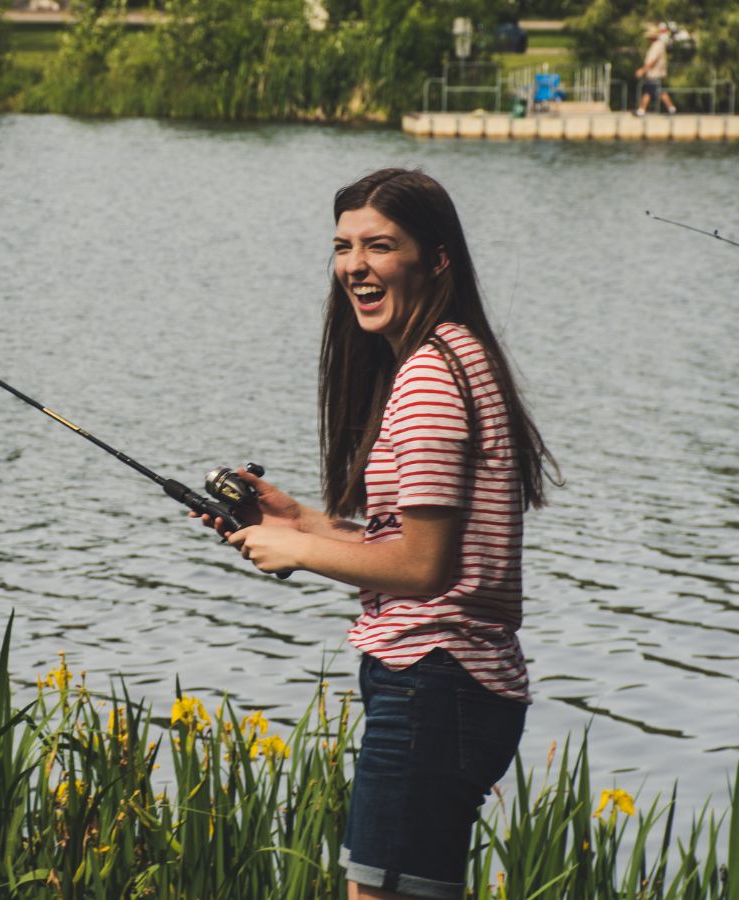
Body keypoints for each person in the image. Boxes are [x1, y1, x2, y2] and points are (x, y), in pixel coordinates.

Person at [196, 168, 558, 899]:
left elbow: (425, 568)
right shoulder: (457, 353)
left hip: (432, 681)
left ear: (437, 258)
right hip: (452, 684)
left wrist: (298, 551)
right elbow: (410, 538)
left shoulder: (427, 378)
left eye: (379, 246)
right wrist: (301, 520)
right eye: (342, 247)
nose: (354, 265)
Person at [634, 23, 678, 116]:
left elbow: (653, 61)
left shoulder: (657, 46)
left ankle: (642, 110)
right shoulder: (656, 45)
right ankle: (670, 108)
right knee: (652, 91)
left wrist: (643, 70)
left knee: (653, 90)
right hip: (653, 74)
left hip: (655, 73)